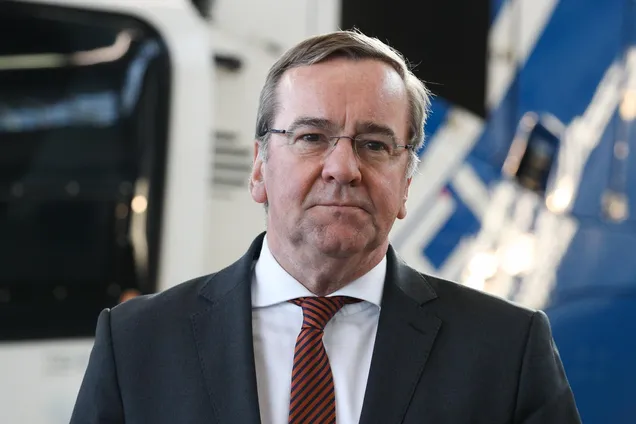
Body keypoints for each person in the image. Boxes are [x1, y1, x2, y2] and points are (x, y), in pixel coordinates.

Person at [70, 30, 581, 424]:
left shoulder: (508, 350)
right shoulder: (136, 343)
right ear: (259, 168)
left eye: (375, 144)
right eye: (312, 137)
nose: (343, 168)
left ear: (406, 183)